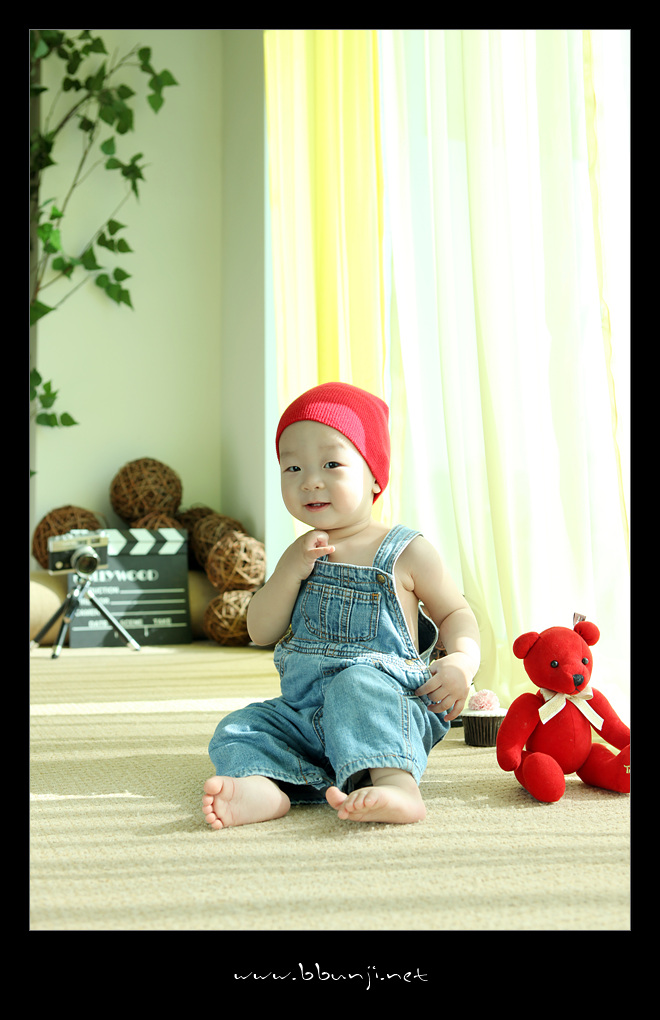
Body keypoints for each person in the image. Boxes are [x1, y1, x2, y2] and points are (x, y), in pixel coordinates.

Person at [203, 382, 480, 828]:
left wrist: (462, 662)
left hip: (383, 707)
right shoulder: (298, 555)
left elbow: (455, 612)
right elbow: (260, 630)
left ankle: (396, 785)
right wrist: (289, 570)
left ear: (374, 476)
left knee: (356, 684)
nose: (310, 480)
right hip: (304, 715)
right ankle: (264, 789)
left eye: (332, 464)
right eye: (292, 467)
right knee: (239, 727)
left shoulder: (405, 551)